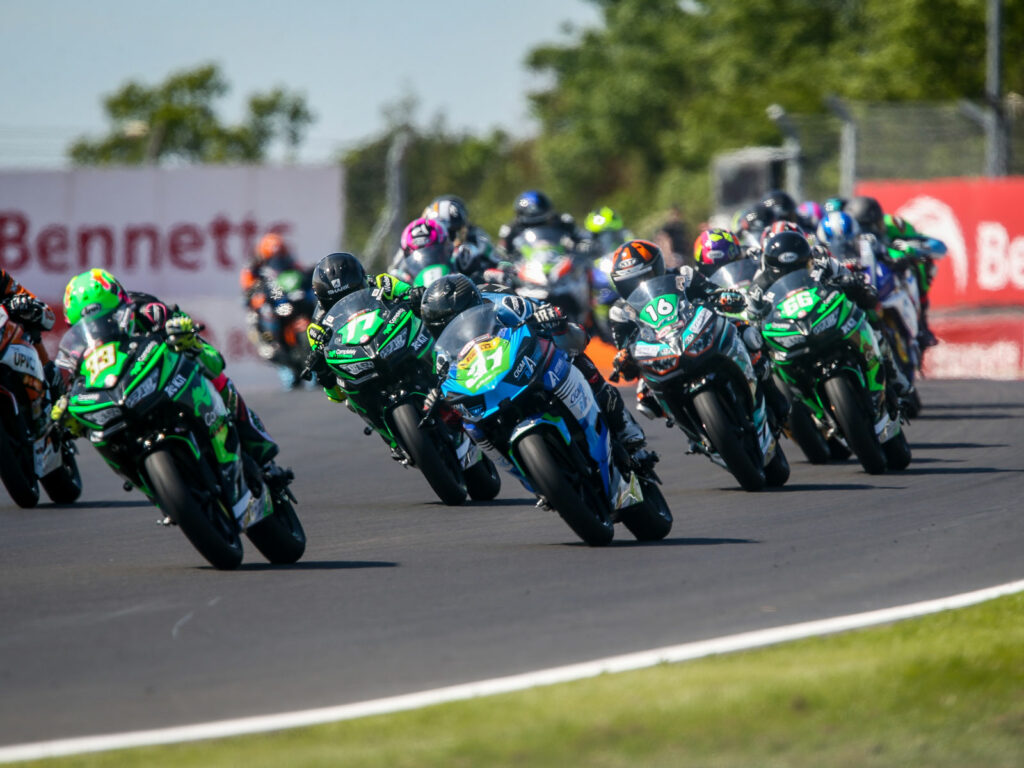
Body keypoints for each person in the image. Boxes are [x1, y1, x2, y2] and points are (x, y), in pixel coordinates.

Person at [54, 268, 288, 485]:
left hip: (166, 382)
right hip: (122, 401)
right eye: (88, 325)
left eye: (108, 317)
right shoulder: (77, 348)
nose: (98, 329)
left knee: (216, 377)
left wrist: (187, 339)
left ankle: (263, 456)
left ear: (122, 303)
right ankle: (148, 481)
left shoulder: (147, 310)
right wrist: (69, 414)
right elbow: (76, 385)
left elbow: (212, 358)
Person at [418, 273, 649, 460]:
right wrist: (436, 397)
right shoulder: (442, 350)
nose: (454, 327)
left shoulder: (500, 301)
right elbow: (443, 380)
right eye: (442, 326)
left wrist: (548, 316)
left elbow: (536, 309)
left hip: (523, 359)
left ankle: (625, 427)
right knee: (468, 422)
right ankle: (521, 469)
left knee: (573, 355)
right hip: (488, 387)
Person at [607, 240, 788, 426]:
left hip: (698, 328)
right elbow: (625, 348)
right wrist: (624, 359)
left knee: (746, 333)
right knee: (645, 398)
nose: (639, 284)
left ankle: (775, 399)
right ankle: (691, 429)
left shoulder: (682, 276)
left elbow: (712, 291)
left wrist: (723, 296)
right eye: (629, 283)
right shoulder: (620, 312)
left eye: (647, 275)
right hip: (659, 351)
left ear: (658, 266)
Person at [240, 232, 309, 387]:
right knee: (256, 319)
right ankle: (275, 350)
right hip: (267, 304)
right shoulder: (252, 268)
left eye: (280, 254)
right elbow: (247, 291)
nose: (277, 258)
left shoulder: (289, 261)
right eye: (273, 255)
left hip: (286, 299)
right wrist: (255, 293)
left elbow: (301, 272)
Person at [0, 268, 60, 397]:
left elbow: (48, 316)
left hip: (9, 355)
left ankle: (44, 402)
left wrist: (28, 308)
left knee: (51, 375)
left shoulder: (2, 279)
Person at [421, 194, 502, 282]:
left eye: (452, 232)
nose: (446, 237)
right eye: (438, 231)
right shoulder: (417, 245)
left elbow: (500, 262)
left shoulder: (476, 239)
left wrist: (490, 273)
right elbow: (404, 270)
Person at [497, 190, 587, 258]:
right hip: (527, 269)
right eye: (531, 225)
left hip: (562, 263)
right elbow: (503, 253)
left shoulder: (563, 220)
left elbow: (581, 239)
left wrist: (583, 247)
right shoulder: (511, 228)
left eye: (542, 223)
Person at [654, 204, 689, 269]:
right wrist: (668, 255)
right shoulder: (669, 227)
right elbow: (662, 239)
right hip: (674, 255)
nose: (676, 217)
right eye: (674, 214)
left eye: (677, 214)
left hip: (683, 254)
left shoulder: (681, 226)